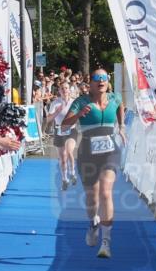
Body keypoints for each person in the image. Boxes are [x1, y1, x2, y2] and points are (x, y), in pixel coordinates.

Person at [60, 68, 126, 259]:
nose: (101, 81)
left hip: (110, 152)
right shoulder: (81, 101)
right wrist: (79, 114)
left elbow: (121, 106)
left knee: (106, 191)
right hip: (88, 153)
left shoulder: (114, 98)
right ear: (90, 82)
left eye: (104, 78)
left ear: (108, 81)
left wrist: (121, 127)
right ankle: (93, 223)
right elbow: (64, 125)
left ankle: (106, 242)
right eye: (97, 78)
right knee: (93, 198)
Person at [45, 82, 78, 189]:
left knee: (69, 152)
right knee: (62, 158)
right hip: (59, 130)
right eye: (62, 88)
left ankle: (72, 172)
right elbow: (49, 119)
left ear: (69, 90)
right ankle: (64, 179)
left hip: (71, 130)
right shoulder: (55, 103)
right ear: (59, 91)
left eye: (66, 88)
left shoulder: (74, 102)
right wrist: (57, 111)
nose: (64, 90)